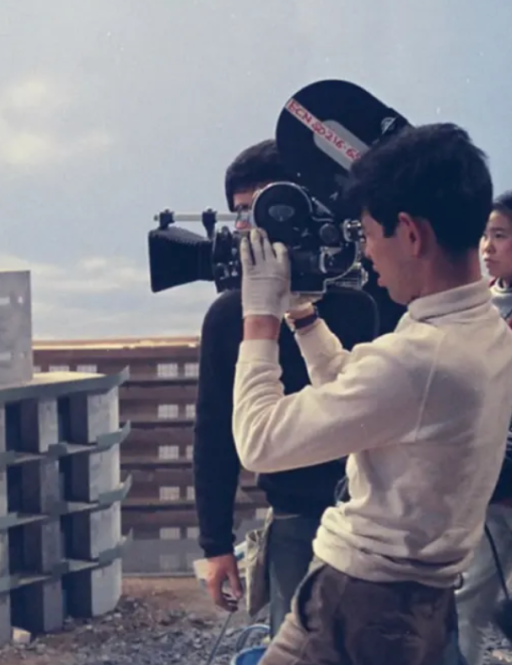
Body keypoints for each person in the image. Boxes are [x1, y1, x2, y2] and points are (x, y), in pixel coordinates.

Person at [233, 123, 512, 664]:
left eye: (368, 235)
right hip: (415, 604)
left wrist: (259, 317)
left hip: (357, 605)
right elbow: (369, 398)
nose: (366, 253)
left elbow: (259, 442)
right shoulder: (484, 333)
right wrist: (303, 317)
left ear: (410, 233)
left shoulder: (421, 359)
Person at [193, 139, 378, 635]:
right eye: (243, 214)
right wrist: (215, 544)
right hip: (294, 516)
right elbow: (214, 432)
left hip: (367, 516)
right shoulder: (228, 315)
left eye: (267, 210)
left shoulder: (365, 304)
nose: (253, 229)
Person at [455, 190, 512, 665]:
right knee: (468, 601)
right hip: (491, 482)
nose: (488, 247)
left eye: (501, 235)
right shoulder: (482, 304)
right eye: (486, 235)